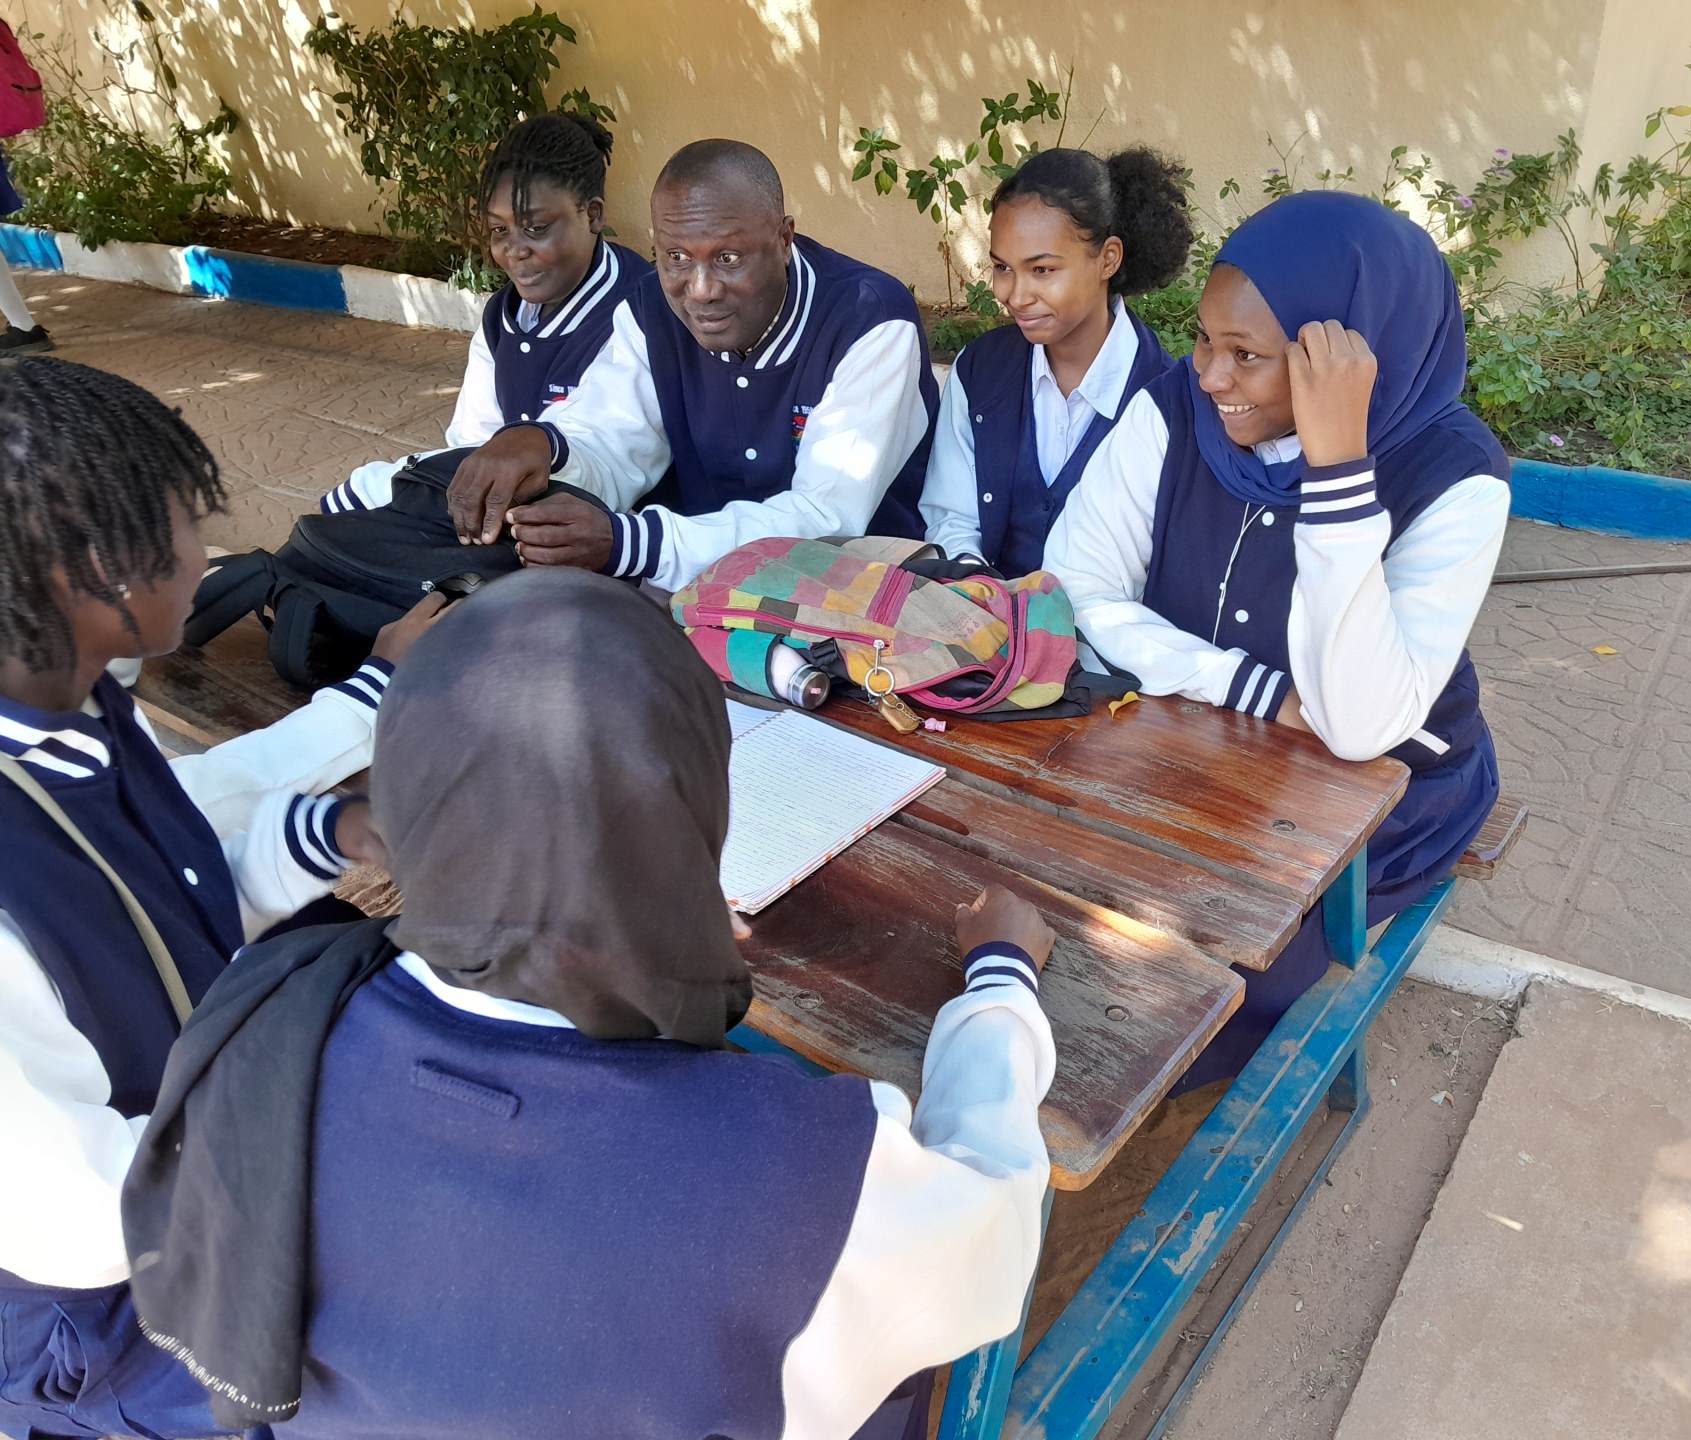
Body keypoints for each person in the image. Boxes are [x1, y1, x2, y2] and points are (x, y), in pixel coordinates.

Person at [120, 568, 1056, 1440]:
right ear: (695, 817)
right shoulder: (810, 1178)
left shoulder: (267, 1028)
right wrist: (1000, 981)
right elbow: (989, 1235)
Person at [0, 358, 443, 1439]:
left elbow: (159, 914)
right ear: (92, 570)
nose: (210, 557)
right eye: (186, 529)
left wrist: (320, 836)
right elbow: (84, 1221)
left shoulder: (82, 704)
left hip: (187, 1134)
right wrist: (340, 1110)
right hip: (101, 1320)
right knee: (431, 1361)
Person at [1044, 191, 1509, 1088]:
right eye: (1204, 340)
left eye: (1248, 356)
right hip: (1201, 739)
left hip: (1385, 789)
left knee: (1193, 986)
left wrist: (1338, 468)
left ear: (1352, 365)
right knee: (1054, 886)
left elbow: (1357, 722)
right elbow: (1076, 585)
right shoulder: (1178, 408)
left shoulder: (1456, 475)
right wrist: (1243, 687)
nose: (1211, 376)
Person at [504, 139, 938, 590]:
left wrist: (636, 544)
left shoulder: (868, 319)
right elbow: (614, 441)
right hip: (696, 595)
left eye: (728, 258)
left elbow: (826, 517)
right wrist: (545, 449)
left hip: (860, 599)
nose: (701, 290)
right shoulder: (651, 311)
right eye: (676, 257)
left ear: (784, 240)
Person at [317, 112, 660, 546]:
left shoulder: (643, 310)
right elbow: (471, 443)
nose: (514, 250)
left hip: (606, 533)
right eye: (499, 230)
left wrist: (533, 452)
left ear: (592, 216)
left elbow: (617, 460)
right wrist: (380, 488)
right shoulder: (502, 318)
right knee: (351, 512)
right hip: (514, 519)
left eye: (536, 228)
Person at [920, 146, 1190, 576]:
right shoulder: (980, 371)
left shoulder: (1167, 401)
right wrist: (975, 583)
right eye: (1003, 268)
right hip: (979, 609)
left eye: (1042, 270)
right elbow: (952, 515)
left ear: (1108, 259)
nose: (1015, 295)